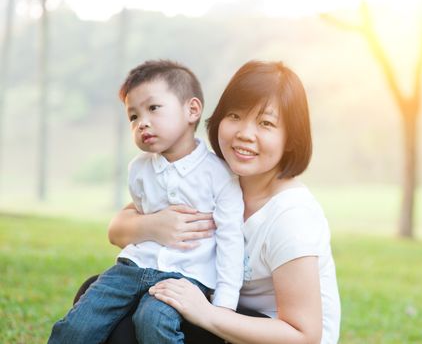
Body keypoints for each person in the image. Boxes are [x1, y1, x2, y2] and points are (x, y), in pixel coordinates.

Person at [107, 60, 341, 343]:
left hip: (267, 330)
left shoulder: (291, 216)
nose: (245, 133)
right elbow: (117, 230)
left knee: (132, 327)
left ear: (291, 138)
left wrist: (206, 313)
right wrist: (155, 226)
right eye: (235, 116)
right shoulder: (216, 175)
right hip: (223, 308)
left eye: (266, 123)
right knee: (98, 294)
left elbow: (304, 336)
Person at [48, 60, 245, 344]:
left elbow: (230, 238)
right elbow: (136, 216)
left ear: (192, 110)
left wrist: (224, 305)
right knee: (80, 322)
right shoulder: (139, 170)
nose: (143, 123)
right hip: (132, 268)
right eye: (133, 116)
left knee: (153, 320)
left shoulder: (220, 174)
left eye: (153, 108)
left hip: (186, 276)